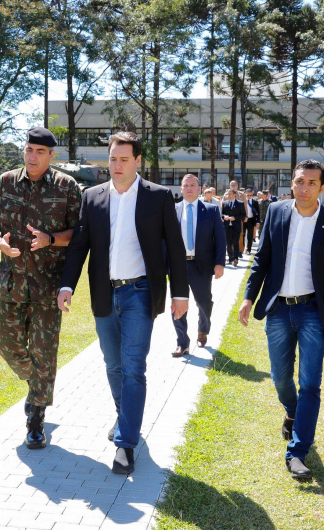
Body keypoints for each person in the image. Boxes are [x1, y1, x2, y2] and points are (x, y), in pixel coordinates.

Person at [57, 131, 188, 475]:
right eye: (113, 158)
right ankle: (124, 417)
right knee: (113, 364)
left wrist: (180, 293)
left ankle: (125, 443)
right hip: (104, 292)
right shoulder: (92, 196)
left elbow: (175, 248)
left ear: (138, 161)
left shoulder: (158, 197)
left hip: (140, 293)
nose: (117, 165)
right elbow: (79, 245)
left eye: (124, 159)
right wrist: (67, 285)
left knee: (133, 367)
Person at [237, 159, 324, 481]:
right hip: (278, 309)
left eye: (312, 183)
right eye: (300, 181)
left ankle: (297, 452)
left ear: (322, 188)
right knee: (280, 377)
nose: (305, 188)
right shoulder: (276, 212)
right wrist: (249, 297)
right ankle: (292, 412)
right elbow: (262, 258)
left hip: (313, 311)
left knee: (310, 383)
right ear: (292, 183)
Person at [0, 127, 82, 450]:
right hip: (12, 282)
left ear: (52, 155)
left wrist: (51, 239)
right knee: (8, 346)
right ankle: (36, 383)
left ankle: (36, 419)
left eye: (40, 152)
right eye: (29, 150)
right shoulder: (5, 182)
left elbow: (79, 234)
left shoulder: (67, 187)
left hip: (48, 286)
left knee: (44, 352)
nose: (32, 157)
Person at [171, 174, 226, 357]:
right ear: (181, 189)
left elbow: (220, 239)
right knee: (177, 305)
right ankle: (182, 343)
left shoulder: (210, 210)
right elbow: (165, 240)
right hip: (178, 266)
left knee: (204, 302)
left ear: (199, 189)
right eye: (185, 185)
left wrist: (219, 263)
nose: (189, 188)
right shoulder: (173, 210)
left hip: (202, 266)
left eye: (192, 185)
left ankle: (203, 329)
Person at [221, 189, 244, 266]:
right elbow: (221, 214)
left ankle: (235, 258)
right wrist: (224, 217)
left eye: (230, 194)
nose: (229, 196)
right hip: (227, 226)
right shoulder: (224, 203)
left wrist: (235, 218)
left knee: (235, 242)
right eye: (228, 194)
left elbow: (243, 215)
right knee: (228, 243)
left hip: (236, 226)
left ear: (235, 195)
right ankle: (230, 258)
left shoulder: (240, 203)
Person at [241, 188, 260, 255]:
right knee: (242, 235)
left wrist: (258, 221)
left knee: (250, 236)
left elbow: (258, 212)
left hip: (251, 220)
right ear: (245, 194)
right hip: (244, 220)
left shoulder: (255, 202)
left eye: (250, 195)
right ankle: (242, 249)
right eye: (247, 195)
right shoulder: (242, 202)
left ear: (252, 195)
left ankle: (249, 249)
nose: (249, 196)